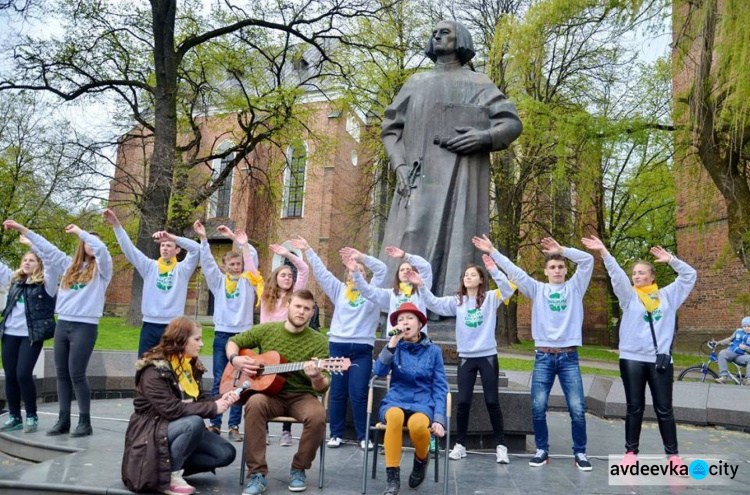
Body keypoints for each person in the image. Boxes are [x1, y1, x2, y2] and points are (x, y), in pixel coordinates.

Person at [378, 20, 522, 298]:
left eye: (445, 32)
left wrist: (484, 137)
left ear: (460, 40)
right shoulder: (415, 82)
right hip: (417, 175)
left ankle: (451, 307)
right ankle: (404, 307)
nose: (437, 35)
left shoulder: (479, 82)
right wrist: (399, 166)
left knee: (458, 242)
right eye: (434, 32)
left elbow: (511, 123)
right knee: (412, 232)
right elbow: (390, 129)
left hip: (460, 180)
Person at [473, 234, 594, 471]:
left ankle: (580, 452)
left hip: (569, 357)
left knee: (577, 408)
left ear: (566, 271)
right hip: (544, 356)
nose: (557, 270)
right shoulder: (537, 289)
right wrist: (494, 251)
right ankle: (542, 449)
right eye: (552, 267)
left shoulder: (575, 287)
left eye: (561, 267)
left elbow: (588, 260)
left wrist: (563, 249)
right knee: (538, 406)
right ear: (546, 271)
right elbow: (515, 272)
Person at [582, 236, 696, 471]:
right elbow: (617, 276)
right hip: (632, 358)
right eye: (634, 272)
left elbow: (689, 276)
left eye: (642, 272)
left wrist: (671, 260)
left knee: (664, 409)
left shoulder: (668, 296)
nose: (636, 276)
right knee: (634, 407)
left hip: (660, 361)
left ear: (652, 277)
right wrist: (604, 251)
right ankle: (631, 452)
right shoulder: (629, 296)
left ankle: (673, 457)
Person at [4, 220, 113, 437]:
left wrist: (81, 232)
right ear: (82, 246)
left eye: (94, 242)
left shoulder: (103, 270)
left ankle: (84, 421)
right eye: (88, 242)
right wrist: (23, 230)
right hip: (63, 323)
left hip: (85, 326)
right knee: (62, 374)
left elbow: (100, 250)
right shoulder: (68, 266)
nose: (92, 245)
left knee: (77, 374)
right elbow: (48, 250)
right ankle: (63, 420)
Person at [407, 254, 514, 464]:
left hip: (487, 356)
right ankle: (460, 445)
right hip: (466, 357)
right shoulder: (458, 301)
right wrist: (421, 286)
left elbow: (508, 289)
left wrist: (493, 269)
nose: (468, 277)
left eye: (473, 275)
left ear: (481, 280)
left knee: (492, 401)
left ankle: (501, 446)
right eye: (466, 275)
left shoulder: (491, 298)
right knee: (463, 402)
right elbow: (435, 304)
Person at [227, 289, 329, 494]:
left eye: (306, 309)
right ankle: (257, 474)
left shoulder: (319, 341)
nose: (301, 312)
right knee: (254, 404)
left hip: (301, 396)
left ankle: (299, 469)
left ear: (312, 313)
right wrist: (235, 359)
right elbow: (234, 341)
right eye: (298, 306)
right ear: (288, 306)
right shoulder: (267, 330)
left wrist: (316, 376)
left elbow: (323, 386)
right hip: (268, 394)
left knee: (318, 415)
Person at [289, 237, 386, 451]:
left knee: (358, 393)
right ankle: (336, 434)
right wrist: (308, 249)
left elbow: (382, 270)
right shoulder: (339, 289)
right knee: (339, 392)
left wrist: (361, 258)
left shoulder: (372, 290)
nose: (356, 272)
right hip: (339, 346)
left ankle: (363, 436)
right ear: (347, 273)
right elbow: (322, 273)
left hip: (362, 350)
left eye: (360, 270)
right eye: (352, 270)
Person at [122, 316, 238, 495]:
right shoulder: (154, 370)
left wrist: (223, 398)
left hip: (175, 428)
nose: (201, 344)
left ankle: (164, 467)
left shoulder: (189, 365)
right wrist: (214, 408)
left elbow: (198, 401)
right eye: (197, 339)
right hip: (150, 431)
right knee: (194, 422)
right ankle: (170, 476)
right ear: (181, 340)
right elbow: (172, 409)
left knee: (225, 453)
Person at [194, 220, 262, 442]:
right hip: (222, 334)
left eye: (238, 264)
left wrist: (238, 240)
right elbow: (207, 263)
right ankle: (215, 423)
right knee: (218, 380)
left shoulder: (249, 281)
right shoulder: (219, 282)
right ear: (225, 266)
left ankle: (234, 426)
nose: (236, 267)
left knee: (241, 381)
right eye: (232, 264)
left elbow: (252, 257)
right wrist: (204, 239)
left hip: (244, 336)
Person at [373, 302, 448, 495]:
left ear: (420, 324)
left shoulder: (434, 351)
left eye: (409, 318)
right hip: (395, 400)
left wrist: (439, 419)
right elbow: (378, 371)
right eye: (400, 319)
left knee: (417, 426)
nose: (404, 323)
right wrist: (391, 344)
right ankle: (392, 477)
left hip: (422, 403)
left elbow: (440, 387)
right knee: (395, 418)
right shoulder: (395, 347)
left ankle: (421, 460)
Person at [104, 209, 200, 357]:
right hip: (149, 325)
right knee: (144, 367)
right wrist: (116, 225)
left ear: (177, 250)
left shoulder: (183, 269)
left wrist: (172, 237)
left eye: (169, 245)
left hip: (173, 326)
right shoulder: (150, 267)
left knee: (172, 369)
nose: (165, 248)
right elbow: (129, 250)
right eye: (162, 245)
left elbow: (195, 249)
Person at [0, 232, 56, 433]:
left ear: (38, 264)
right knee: (11, 376)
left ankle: (31, 415)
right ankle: (14, 416)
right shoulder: (15, 281)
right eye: (24, 260)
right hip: (9, 335)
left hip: (31, 336)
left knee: (23, 374)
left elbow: (50, 261)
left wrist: (33, 243)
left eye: (31, 260)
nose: (27, 262)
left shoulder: (47, 284)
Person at [259, 241, 310, 447]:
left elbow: (304, 269)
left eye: (290, 275)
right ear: (275, 278)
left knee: (286, 385)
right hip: (268, 345)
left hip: (288, 344)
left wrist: (288, 255)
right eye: (283, 275)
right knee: (263, 387)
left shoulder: (295, 296)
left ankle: (286, 431)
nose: (288, 278)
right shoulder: (265, 294)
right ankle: (263, 429)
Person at [351, 246, 433, 336]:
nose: (405, 271)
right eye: (402, 270)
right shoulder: (391, 294)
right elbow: (368, 291)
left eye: (408, 269)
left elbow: (426, 267)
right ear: (398, 275)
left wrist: (405, 256)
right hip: (395, 340)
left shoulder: (421, 290)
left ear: (415, 273)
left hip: (418, 340)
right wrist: (357, 270)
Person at [713, 317, 750, 384]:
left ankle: (749, 379)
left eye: (749, 326)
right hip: (731, 352)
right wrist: (718, 343)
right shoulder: (738, 331)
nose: (746, 328)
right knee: (722, 353)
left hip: (742, 356)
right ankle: (724, 377)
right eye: (744, 326)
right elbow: (729, 339)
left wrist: (745, 348)